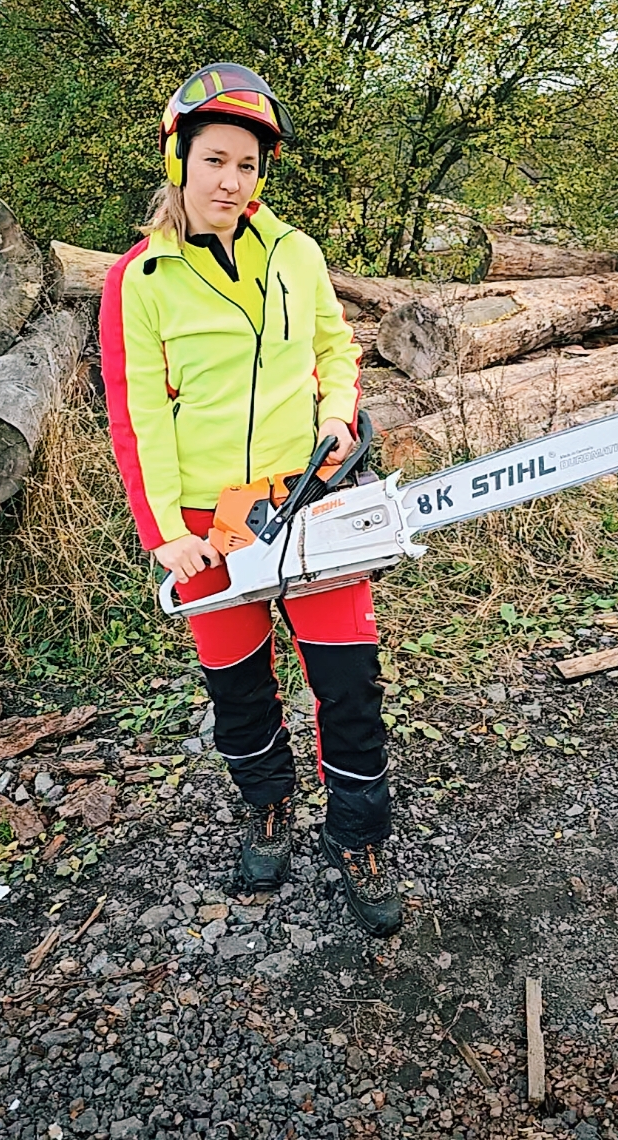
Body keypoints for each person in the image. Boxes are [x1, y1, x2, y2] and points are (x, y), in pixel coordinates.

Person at [99, 62, 401, 937]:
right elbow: (137, 417)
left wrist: (339, 413)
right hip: (206, 525)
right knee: (238, 689)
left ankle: (359, 835)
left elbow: (335, 347)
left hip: (306, 502)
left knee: (348, 681)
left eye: (249, 165)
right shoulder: (139, 281)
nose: (232, 181)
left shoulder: (295, 253)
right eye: (216, 160)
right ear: (180, 160)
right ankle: (268, 807)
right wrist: (165, 537)